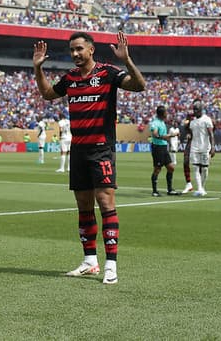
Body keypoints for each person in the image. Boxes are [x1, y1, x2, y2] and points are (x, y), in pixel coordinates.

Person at [33, 31, 146, 285]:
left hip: (101, 149)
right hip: (79, 150)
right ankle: (90, 261)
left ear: (91, 50)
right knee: (83, 206)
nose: (75, 54)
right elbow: (49, 94)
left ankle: (111, 265)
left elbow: (140, 86)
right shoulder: (70, 78)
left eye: (79, 49)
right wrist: (38, 69)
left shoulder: (108, 73)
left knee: (105, 203)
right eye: (72, 50)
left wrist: (127, 60)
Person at [187, 100, 215, 197]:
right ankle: (199, 189)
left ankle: (202, 187)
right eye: (194, 109)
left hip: (205, 147)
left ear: (201, 110)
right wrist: (188, 136)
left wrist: (213, 147)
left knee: (205, 169)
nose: (195, 111)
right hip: (194, 148)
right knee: (195, 168)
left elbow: (211, 134)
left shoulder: (207, 120)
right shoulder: (192, 122)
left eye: (196, 109)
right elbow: (191, 135)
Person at [149, 105, 178, 196]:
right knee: (157, 169)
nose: (167, 113)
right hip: (157, 148)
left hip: (164, 148)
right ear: (162, 114)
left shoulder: (162, 122)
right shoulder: (155, 123)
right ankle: (155, 191)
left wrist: (167, 137)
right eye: (166, 112)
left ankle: (170, 190)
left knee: (171, 167)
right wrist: (169, 136)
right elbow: (155, 134)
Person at [180, 113, 194, 193]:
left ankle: (201, 186)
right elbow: (185, 128)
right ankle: (189, 184)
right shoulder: (188, 122)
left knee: (200, 165)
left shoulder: (201, 120)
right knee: (186, 161)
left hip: (199, 144)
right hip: (190, 143)